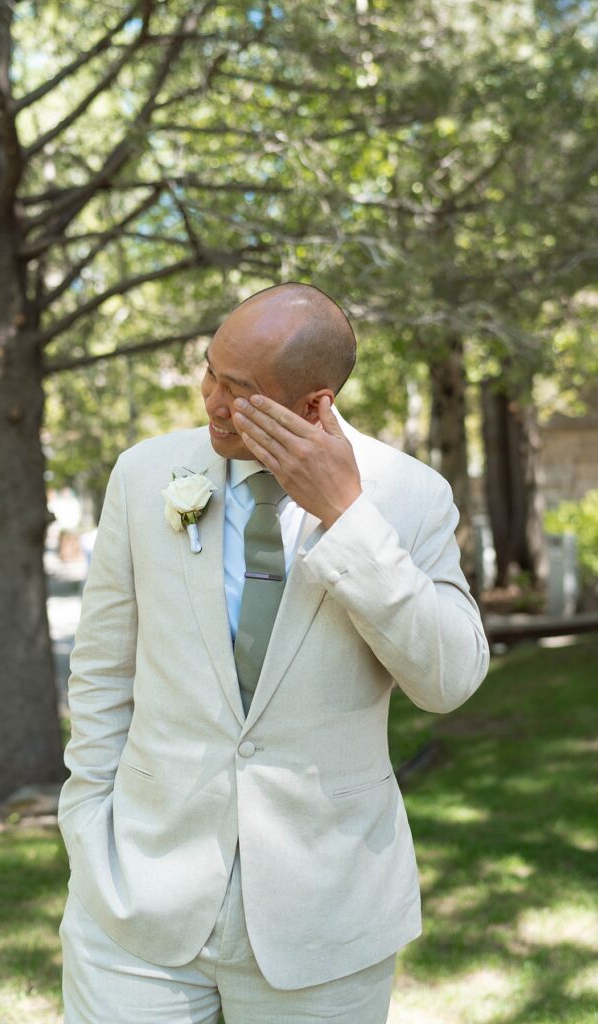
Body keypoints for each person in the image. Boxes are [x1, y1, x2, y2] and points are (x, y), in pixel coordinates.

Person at [58, 282, 489, 1024]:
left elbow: (448, 681)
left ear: (314, 405)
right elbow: (102, 671)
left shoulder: (409, 497)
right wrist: (86, 826)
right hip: (134, 902)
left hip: (324, 919)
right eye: (210, 372)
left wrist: (349, 519)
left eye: (239, 389)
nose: (211, 401)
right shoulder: (142, 474)